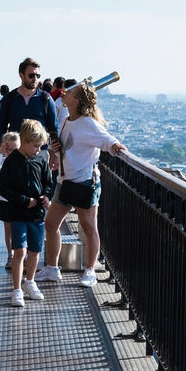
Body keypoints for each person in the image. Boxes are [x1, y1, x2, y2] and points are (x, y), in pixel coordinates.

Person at [38, 81, 127, 288]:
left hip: (85, 180)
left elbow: (107, 139)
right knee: (51, 224)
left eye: (71, 92)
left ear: (77, 101)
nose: (65, 93)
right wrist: (54, 149)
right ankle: (52, 268)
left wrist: (116, 147)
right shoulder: (68, 119)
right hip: (66, 180)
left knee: (88, 226)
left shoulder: (87, 123)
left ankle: (89, 270)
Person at [0, 120, 52, 306]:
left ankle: (30, 281)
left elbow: (48, 184)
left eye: (40, 146)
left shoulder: (41, 160)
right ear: (25, 142)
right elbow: (4, 188)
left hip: (36, 214)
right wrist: (24, 201)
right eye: (35, 146)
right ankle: (17, 289)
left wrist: (46, 197)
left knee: (35, 251)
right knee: (20, 250)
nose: (38, 149)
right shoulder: (11, 161)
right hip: (18, 213)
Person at [0, 57, 58, 154]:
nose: (35, 79)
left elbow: (54, 128)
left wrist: (55, 154)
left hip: (40, 155)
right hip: (16, 154)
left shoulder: (46, 99)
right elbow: (1, 127)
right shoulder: (10, 99)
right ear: (21, 75)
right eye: (31, 75)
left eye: (37, 76)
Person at [0, 132, 19, 270]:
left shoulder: (23, 160)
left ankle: (21, 254)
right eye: (9, 149)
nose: (11, 153)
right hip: (5, 200)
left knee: (20, 228)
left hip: (19, 200)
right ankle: (10, 254)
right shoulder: (2, 161)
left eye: (15, 149)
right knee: (8, 229)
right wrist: (0, 154)